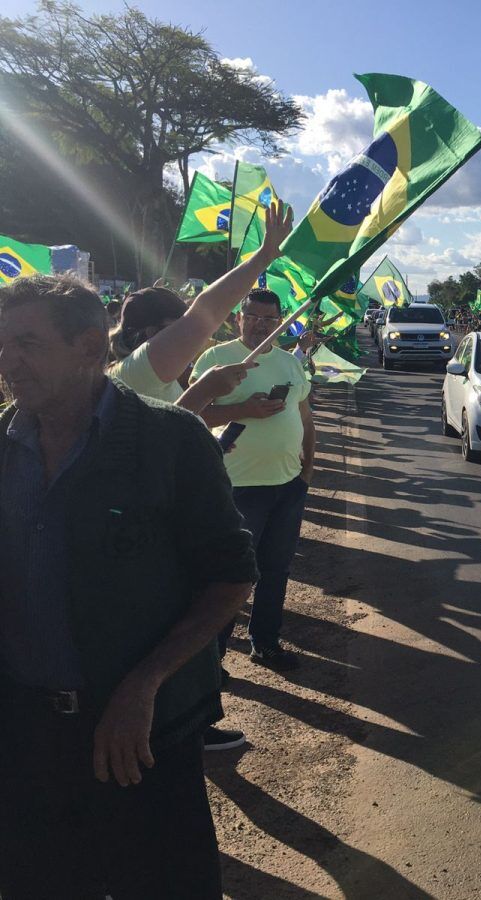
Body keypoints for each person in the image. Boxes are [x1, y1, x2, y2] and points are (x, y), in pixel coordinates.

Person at [0, 275, 257, 898]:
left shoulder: (170, 440)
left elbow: (230, 578)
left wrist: (144, 684)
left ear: (90, 347)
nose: (8, 363)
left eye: (27, 344)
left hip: (143, 739)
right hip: (26, 741)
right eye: (1, 345)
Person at [191, 287, 315, 672]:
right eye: (254, 317)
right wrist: (247, 409)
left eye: (270, 320)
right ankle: (214, 657)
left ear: (280, 323)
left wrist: (307, 470)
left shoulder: (290, 364)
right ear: (238, 319)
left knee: (276, 570)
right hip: (238, 487)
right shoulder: (217, 359)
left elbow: (306, 418)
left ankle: (266, 643)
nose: (262, 325)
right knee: (231, 577)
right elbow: (193, 414)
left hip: (288, 485)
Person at [108, 201, 292, 404]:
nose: (191, 335)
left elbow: (167, 426)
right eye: (178, 326)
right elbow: (206, 312)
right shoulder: (138, 371)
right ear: (152, 334)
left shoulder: (140, 376)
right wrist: (264, 255)